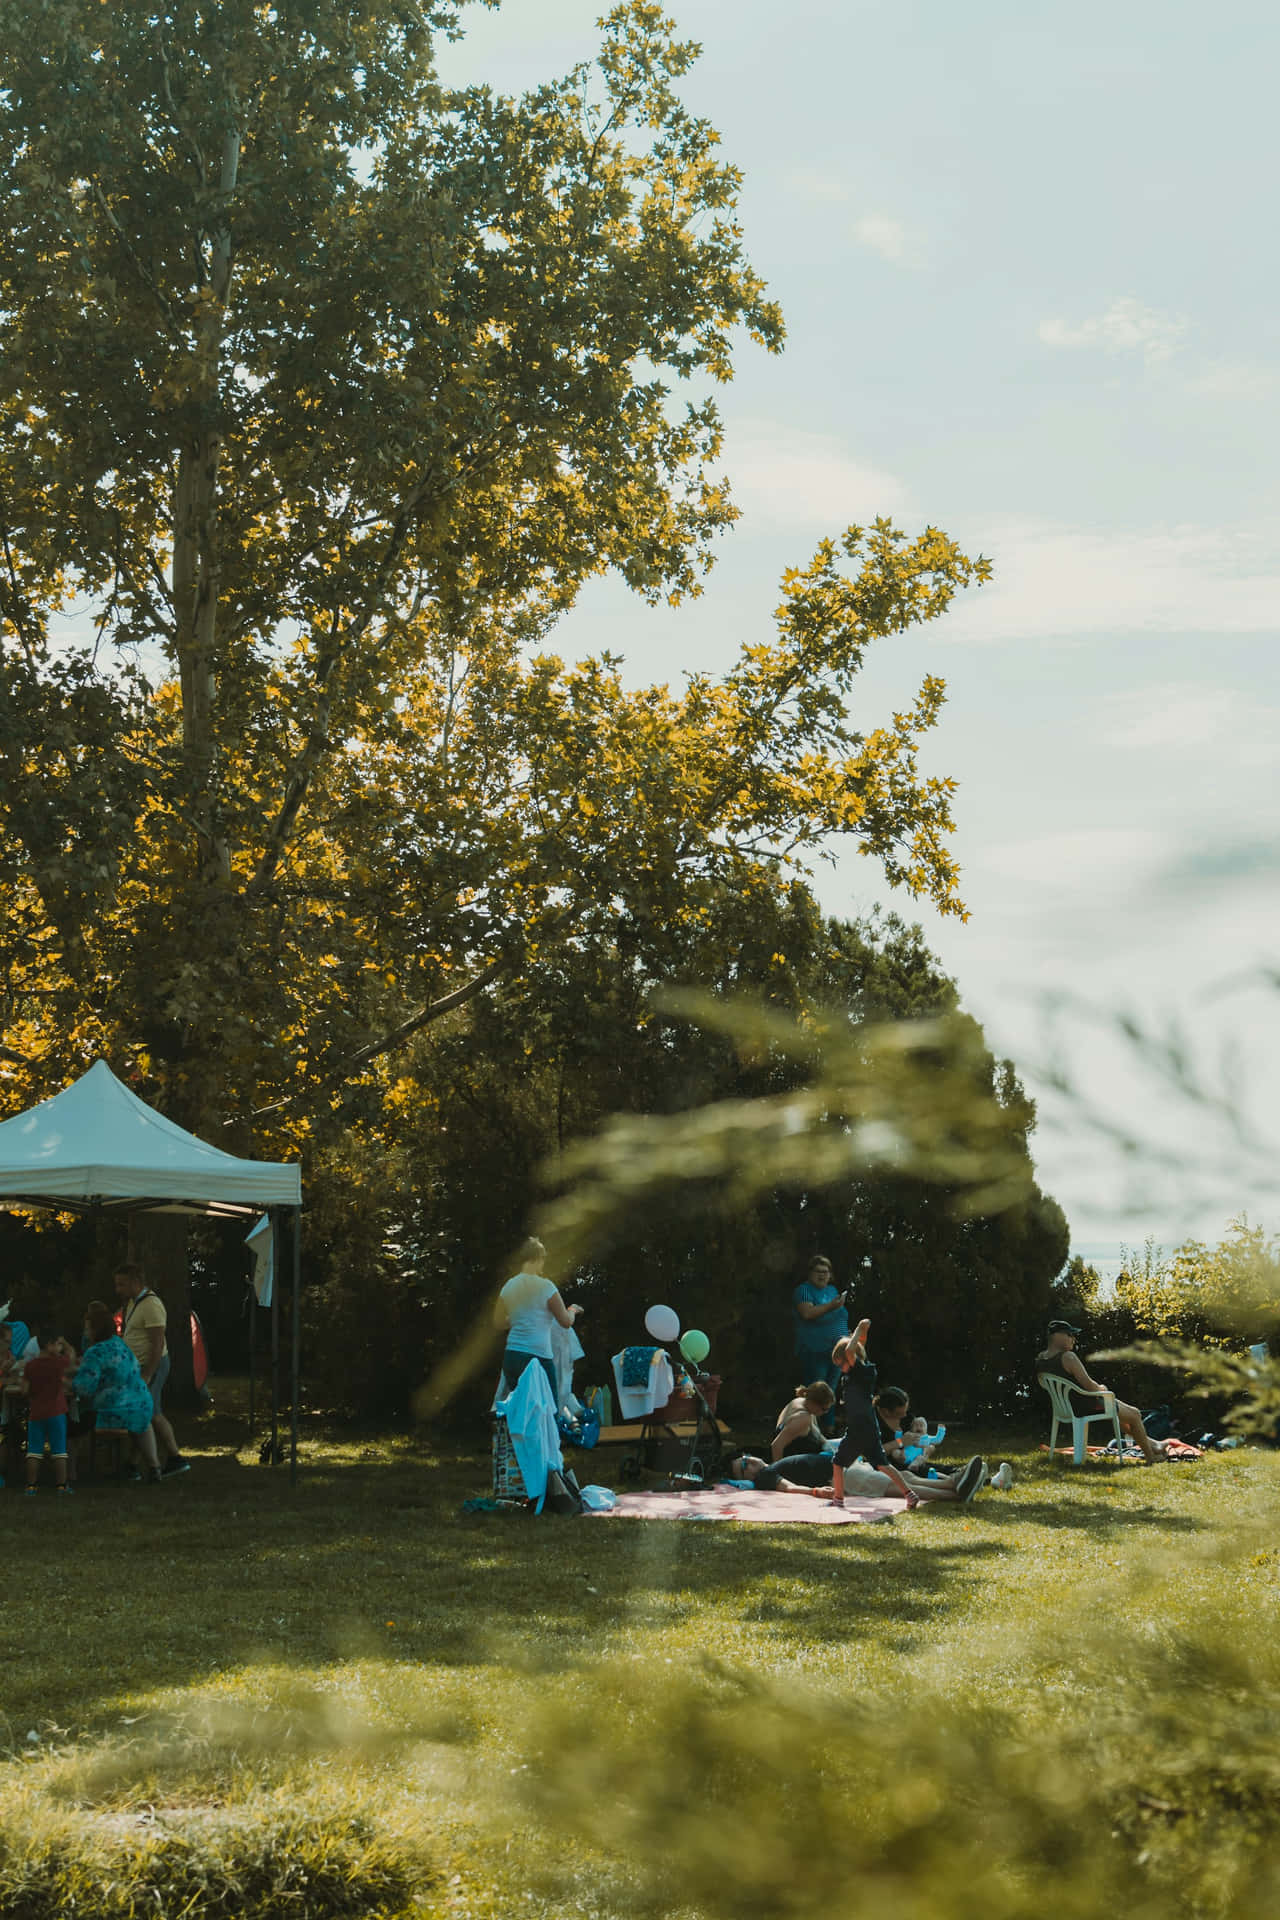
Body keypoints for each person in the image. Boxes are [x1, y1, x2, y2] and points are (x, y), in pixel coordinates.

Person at [829, 1320, 987, 1506]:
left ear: (850, 1358)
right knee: (882, 1466)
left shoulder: (862, 1374)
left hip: (861, 1431)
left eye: (841, 1364)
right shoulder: (856, 1374)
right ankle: (911, 1494)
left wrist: (858, 1330)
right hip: (863, 1432)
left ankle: (838, 1499)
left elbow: (852, 1349)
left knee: (841, 1463)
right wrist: (860, 1336)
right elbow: (856, 1347)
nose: (841, 1369)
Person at [1036, 1319, 1168, 1464]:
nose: (1073, 1339)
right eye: (1069, 1335)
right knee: (1135, 1414)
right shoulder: (1068, 1357)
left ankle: (1155, 1445)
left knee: (1126, 1417)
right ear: (1056, 1336)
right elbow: (1090, 1387)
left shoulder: (1041, 1359)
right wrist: (1101, 1388)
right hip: (1086, 1405)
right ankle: (1151, 1457)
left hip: (1067, 1406)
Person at [69, 1300, 164, 1482]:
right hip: (141, 1403)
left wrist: (67, 1382)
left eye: (87, 1327)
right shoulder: (121, 1345)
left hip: (113, 1409)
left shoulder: (95, 1351)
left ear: (95, 1329)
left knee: (75, 1418)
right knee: (143, 1424)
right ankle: (154, 1467)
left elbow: (85, 1388)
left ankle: (71, 1470)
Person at [114, 1264, 190, 1476]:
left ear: (135, 1282)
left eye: (122, 1284)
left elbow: (157, 1343)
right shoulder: (132, 1303)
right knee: (145, 1413)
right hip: (137, 1367)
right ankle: (133, 1463)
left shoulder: (151, 1305)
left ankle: (175, 1458)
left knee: (152, 1413)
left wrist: (148, 1373)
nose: (118, 1289)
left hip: (152, 1365)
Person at [494, 1237, 583, 1399]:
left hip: (512, 1357)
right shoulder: (545, 1286)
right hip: (538, 1357)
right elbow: (565, 1322)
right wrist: (573, 1310)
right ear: (538, 1258)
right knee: (549, 1411)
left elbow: (498, 1322)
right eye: (543, 1259)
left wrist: (518, 1319)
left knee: (520, 1409)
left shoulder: (508, 1286)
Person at [730, 1450, 987, 1505]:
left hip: (847, 1466)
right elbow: (786, 1488)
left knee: (905, 1474)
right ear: (747, 1477)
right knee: (898, 1485)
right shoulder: (764, 1476)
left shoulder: (771, 1464)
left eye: (745, 1457)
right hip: (839, 1476)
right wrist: (815, 1492)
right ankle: (956, 1494)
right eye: (743, 1466)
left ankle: (955, 1481)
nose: (749, 1461)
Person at [20, 1326, 74, 1495]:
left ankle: (31, 1485)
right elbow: (71, 1356)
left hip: (36, 1413)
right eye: (58, 1344)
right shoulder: (58, 1363)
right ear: (50, 1345)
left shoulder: (30, 1365)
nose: (59, 1347)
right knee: (59, 1451)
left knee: (34, 1451)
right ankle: (61, 1486)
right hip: (57, 1412)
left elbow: (24, 1390)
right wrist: (66, 1344)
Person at [791, 1255, 850, 1398]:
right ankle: (811, 1421)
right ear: (810, 1273)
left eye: (825, 1272)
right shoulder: (803, 1290)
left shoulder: (832, 1290)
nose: (822, 1275)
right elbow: (807, 1313)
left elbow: (837, 1315)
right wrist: (831, 1305)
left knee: (831, 1393)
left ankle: (828, 1421)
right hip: (815, 1351)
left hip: (836, 1351)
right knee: (816, 1393)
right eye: (818, 1271)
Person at [771, 1382, 836, 1460]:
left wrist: (830, 1446)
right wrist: (778, 1470)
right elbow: (776, 1446)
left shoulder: (801, 1402)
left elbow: (817, 1434)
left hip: (808, 1456)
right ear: (814, 1403)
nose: (826, 1412)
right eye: (824, 1409)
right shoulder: (802, 1418)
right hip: (795, 1464)